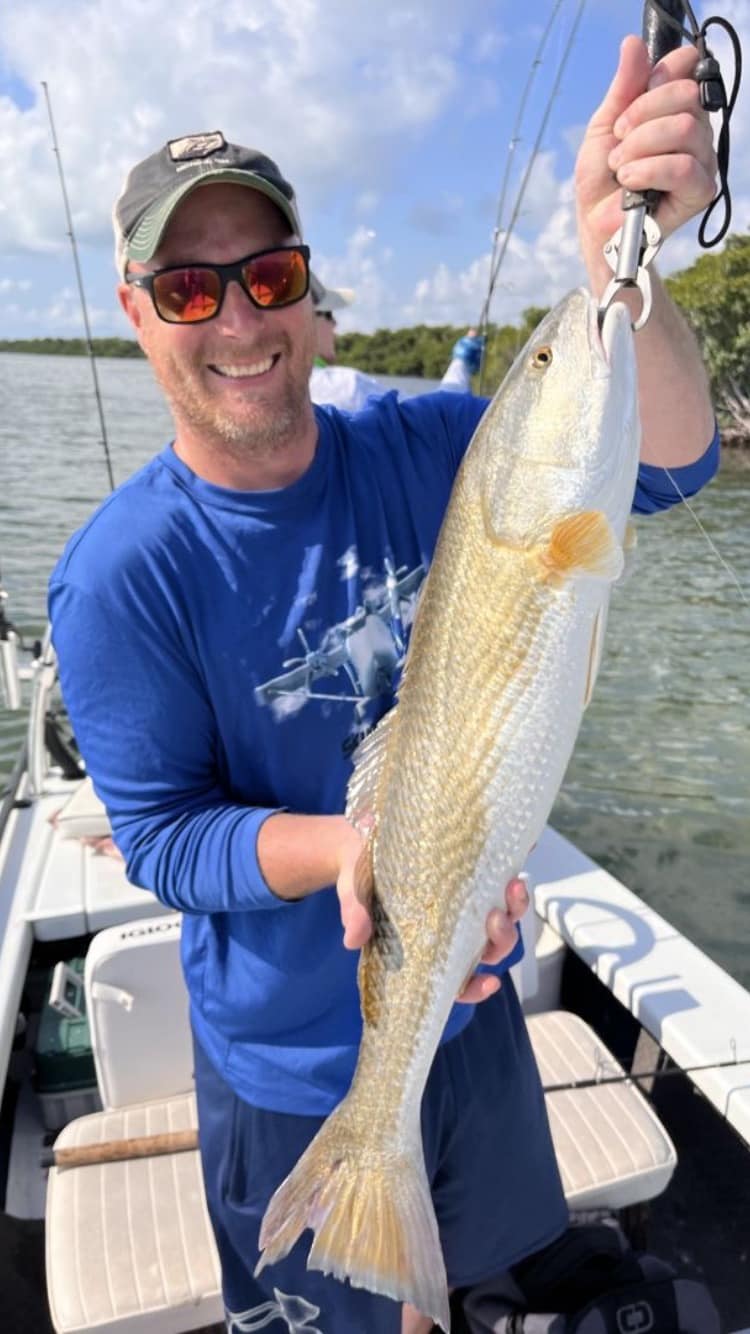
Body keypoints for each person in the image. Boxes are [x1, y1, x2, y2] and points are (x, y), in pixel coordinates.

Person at [48, 35, 719, 1334]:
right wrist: (355, 849)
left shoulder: (426, 445)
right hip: (290, 1064)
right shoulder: (119, 573)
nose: (238, 319)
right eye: (191, 288)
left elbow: (667, 464)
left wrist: (616, 266)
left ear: (309, 294)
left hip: (472, 1016)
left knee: (455, 1291)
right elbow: (166, 838)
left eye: (268, 275)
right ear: (137, 309)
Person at [309, 268, 484, 409]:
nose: (335, 323)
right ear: (306, 319)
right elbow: (436, 417)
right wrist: (462, 363)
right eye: (328, 314)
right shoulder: (348, 388)